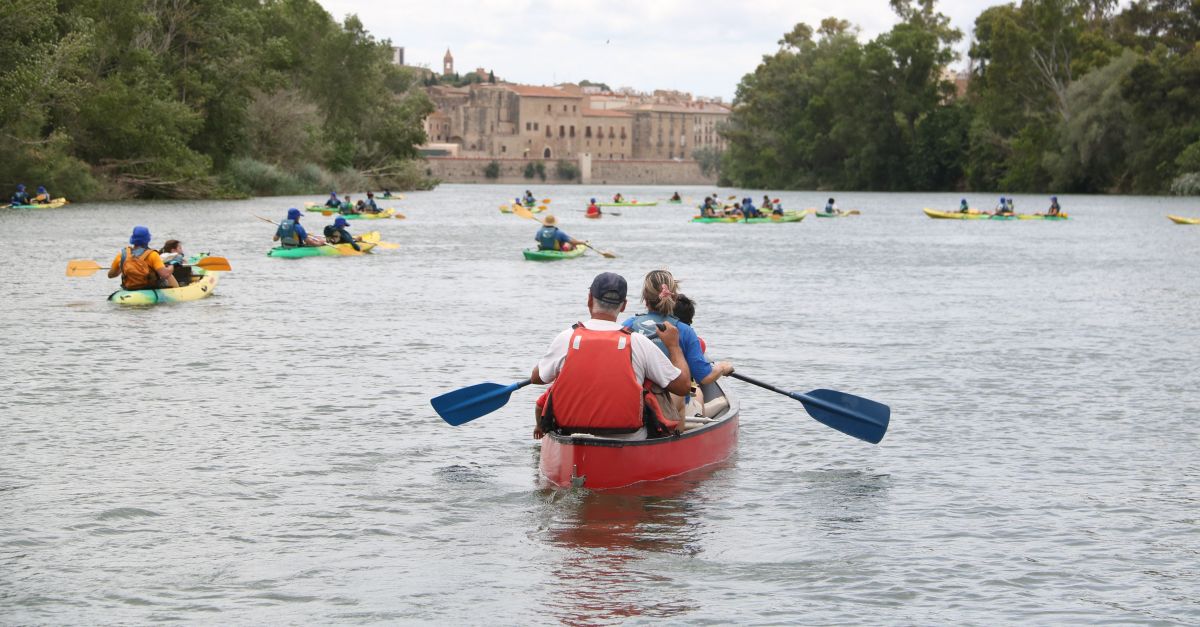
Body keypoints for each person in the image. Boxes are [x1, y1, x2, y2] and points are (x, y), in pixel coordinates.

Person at [531, 272, 692, 441]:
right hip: (629, 439)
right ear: (623, 306)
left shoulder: (566, 338)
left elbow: (537, 378)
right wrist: (674, 347)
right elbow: (683, 387)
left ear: (589, 299)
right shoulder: (638, 342)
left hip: (570, 434)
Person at [624, 270, 733, 419]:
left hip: (634, 401)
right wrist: (723, 368)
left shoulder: (629, 324)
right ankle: (701, 414)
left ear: (645, 299)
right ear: (674, 298)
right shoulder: (685, 331)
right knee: (695, 391)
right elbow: (705, 377)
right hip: (670, 404)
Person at [107, 226, 179, 290]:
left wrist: (123, 267)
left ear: (132, 239)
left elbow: (110, 275)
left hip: (129, 288)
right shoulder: (152, 255)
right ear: (148, 239)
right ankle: (177, 292)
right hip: (149, 288)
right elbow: (165, 275)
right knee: (169, 274)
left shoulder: (122, 255)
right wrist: (172, 265)